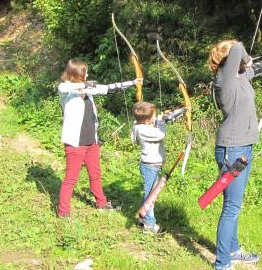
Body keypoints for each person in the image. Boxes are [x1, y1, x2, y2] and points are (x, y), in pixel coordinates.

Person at [207, 40, 262, 270]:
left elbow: (254, 70)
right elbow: (238, 47)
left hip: (243, 147)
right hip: (232, 149)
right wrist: (241, 52)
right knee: (231, 208)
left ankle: (232, 249)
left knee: (234, 203)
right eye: (237, 59)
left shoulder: (239, 76)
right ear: (229, 61)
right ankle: (222, 264)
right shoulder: (225, 79)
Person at [57, 58, 141, 218]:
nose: (87, 74)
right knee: (71, 178)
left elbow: (108, 88)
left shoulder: (88, 91)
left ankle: (101, 203)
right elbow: (63, 86)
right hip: (75, 144)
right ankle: (63, 212)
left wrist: (133, 82)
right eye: (85, 72)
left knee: (95, 174)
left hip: (91, 142)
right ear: (77, 74)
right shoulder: (67, 93)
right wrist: (85, 85)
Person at [132, 101, 184, 234]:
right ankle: (149, 224)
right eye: (153, 116)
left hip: (154, 165)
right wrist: (160, 122)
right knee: (151, 195)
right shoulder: (142, 129)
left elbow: (161, 122)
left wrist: (181, 111)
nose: (155, 118)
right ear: (148, 120)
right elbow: (161, 134)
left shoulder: (145, 125)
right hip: (150, 166)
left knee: (150, 193)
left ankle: (144, 218)